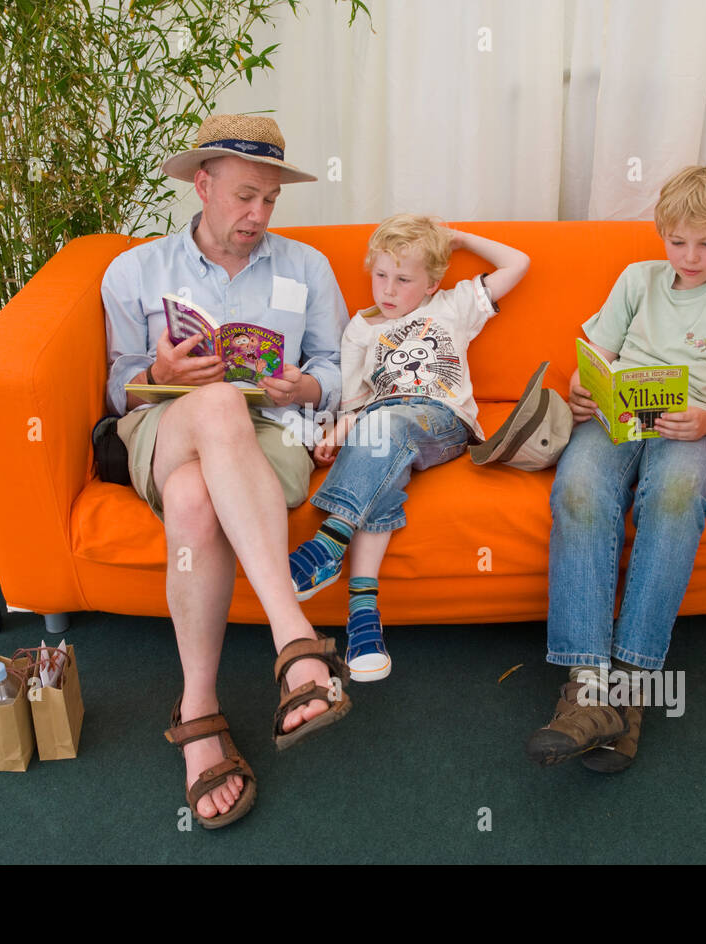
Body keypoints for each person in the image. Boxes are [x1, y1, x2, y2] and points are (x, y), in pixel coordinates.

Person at [99, 115, 351, 829]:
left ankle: (200, 711)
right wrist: (159, 371)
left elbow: (332, 371)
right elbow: (120, 388)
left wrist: (303, 388)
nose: (257, 215)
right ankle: (293, 641)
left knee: (192, 500)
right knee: (210, 405)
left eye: (270, 200)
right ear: (202, 185)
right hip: (164, 426)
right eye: (244, 196)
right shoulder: (136, 271)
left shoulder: (306, 267)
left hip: (269, 433)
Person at [527, 165, 706, 773]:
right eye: (677, 241)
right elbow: (592, 362)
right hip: (620, 415)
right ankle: (588, 690)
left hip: (696, 426)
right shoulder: (638, 279)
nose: (689, 257)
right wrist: (584, 389)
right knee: (580, 489)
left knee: (674, 494)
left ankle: (630, 688)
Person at [288, 215, 530, 681]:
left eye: (403, 279)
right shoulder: (361, 328)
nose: (388, 289)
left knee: (386, 427)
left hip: (441, 420)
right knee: (382, 459)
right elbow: (355, 399)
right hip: (378, 426)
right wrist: (339, 430)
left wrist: (457, 239)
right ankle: (363, 612)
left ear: (432, 282)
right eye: (380, 275)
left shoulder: (454, 305)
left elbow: (519, 262)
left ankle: (328, 543)